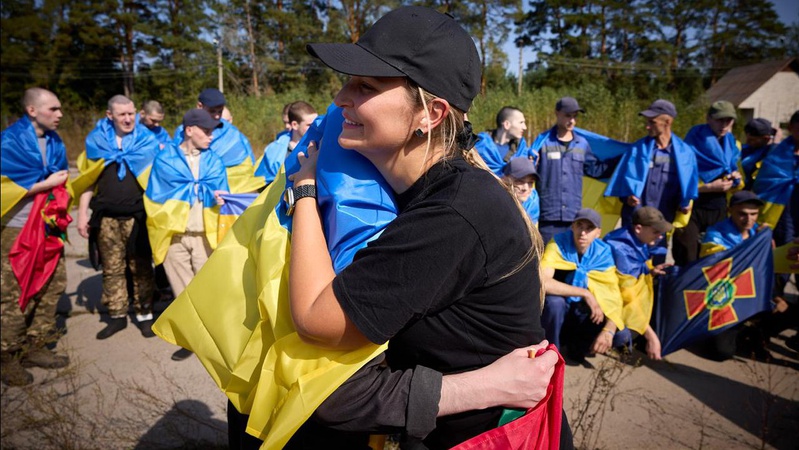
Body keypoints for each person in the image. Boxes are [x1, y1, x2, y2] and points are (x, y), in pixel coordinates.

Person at [254, 6, 563, 449]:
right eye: (346, 82)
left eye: (366, 86)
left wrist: (304, 191)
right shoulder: (411, 194)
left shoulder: (455, 214)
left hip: (489, 438)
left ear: (430, 114)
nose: (342, 98)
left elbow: (314, 321)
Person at [145, 109, 229, 361]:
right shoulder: (165, 159)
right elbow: (154, 198)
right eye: (206, 131)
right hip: (175, 235)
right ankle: (191, 340)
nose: (211, 137)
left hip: (205, 234)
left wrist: (218, 197)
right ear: (189, 130)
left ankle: (215, 338)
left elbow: (223, 192)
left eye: (213, 132)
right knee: (183, 291)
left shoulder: (214, 160)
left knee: (206, 288)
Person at [73, 95, 159, 340]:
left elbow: (158, 181)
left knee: (142, 267)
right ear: (109, 115)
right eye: (122, 114)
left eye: (131, 113)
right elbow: (87, 181)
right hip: (106, 218)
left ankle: (145, 315)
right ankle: (117, 316)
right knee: (112, 268)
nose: (128, 119)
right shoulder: (96, 142)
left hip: (138, 217)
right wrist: (81, 215)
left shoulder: (146, 141)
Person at [0, 88, 70, 386]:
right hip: (16, 229)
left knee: (53, 285)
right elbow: (4, 188)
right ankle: (7, 356)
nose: (60, 114)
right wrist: (45, 185)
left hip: (48, 226)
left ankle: (36, 345)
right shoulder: (8, 143)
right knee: (15, 293)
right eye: (53, 109)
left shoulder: (54, 142)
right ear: (32, 111)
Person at [604, 99, 698, 265]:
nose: (647, 126)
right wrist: (627, 197)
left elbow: (688, 186)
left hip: (660, 224)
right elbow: (622, 184)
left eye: (652, 122)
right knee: (628, 263)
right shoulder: (637, 149)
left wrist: (685, 202)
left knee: (657, 263)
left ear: (667, 122)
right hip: (636, 222)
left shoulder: (684, 153)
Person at [539, 208, 624, 362]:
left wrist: (609, 330)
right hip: (561, 307)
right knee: (554, 303)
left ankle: (577, 346)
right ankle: (551, 353)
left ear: (598, 232)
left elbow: (613, 296)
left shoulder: (603, 253)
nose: (583, 233)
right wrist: (584, 293)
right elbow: (543, 282)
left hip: (582, 311)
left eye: (589, 228)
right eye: (580, 226)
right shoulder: (558, 243)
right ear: (573, 226)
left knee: (619, 333)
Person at [534, 97, 615, 243]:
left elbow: (595, 170)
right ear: (557, 113)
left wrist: (621, 160)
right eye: (567, 115)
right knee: (546, 260)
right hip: (548, 215)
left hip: (574, 217)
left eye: (574, 116)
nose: (572, 120)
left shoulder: (582, 144)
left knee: (569, 262)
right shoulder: (543, 142)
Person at [698, 190, 764, 360]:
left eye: (753, 214)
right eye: (742, 214)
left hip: (749, 296)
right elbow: (717, 266)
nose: (749, 219)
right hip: (723, 299)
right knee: (722, 353)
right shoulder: (715, 235)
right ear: (729, 211)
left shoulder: (759, 233)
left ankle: (749, 332)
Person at [675, 100, 742, 266]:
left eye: (729, 120)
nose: (724, 125)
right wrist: (709, 187)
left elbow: (737, 173)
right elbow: (679, 178)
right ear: (708, 119)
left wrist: (735, 179)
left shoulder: (732, 143)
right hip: (692, 207)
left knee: (715, 257)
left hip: (718, 207)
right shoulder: (693, 141)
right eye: (720, 120)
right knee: (687, 255)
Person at [604, 207, 673, 360]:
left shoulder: (636, 241)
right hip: (608, 305)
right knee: (624, 337)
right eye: (656, 232)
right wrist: (651, 335)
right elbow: (627, 296)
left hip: (624, 298)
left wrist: (650, 271)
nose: (661, 236)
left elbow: (636, 269)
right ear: (638, 228)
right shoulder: (621, 249)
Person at [173, 88, 263, 193]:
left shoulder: (231, 132)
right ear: (200, 106)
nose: (216, 116)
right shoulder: (183, 130)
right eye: (212, 111)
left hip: (232, 190)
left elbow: (248, 160)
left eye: (220, 112)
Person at [255, 101, 318, 186]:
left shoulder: (318, 144)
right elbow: (265, 180)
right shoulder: (277, 150)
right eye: (309, 125)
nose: (316, 127)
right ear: (295, 125)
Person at [473, 106, 528, 177]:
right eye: (521, 122)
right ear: (507, 125)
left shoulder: (520, 149)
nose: (525, 127)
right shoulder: (479, 145)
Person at [741, 118, 776, 189]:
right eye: (747, 138)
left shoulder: (771, 152)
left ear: (766, 139)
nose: (747, 142)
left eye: (752, 140)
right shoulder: (744, 149)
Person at [502, 156, 539, 224]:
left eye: (530, 182)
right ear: (505, 179)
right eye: (519, 181)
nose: (525, 188)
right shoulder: (498, 203)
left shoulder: (532, 201)